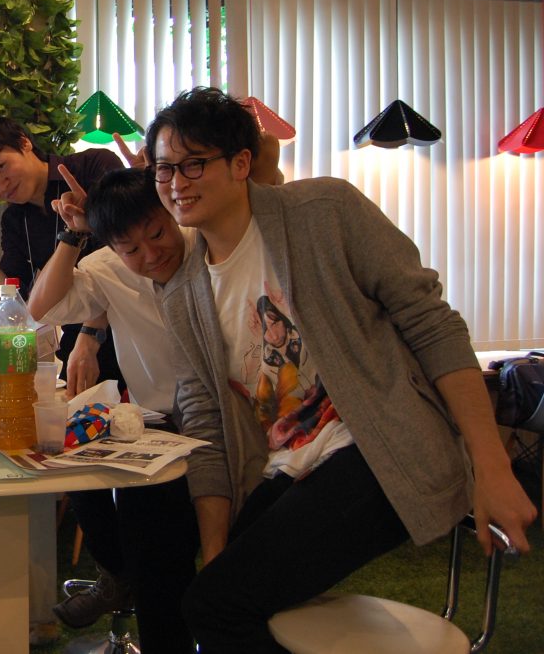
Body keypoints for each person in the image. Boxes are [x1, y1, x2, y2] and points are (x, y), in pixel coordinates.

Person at [144, 86, 536, 653]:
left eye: (194, 164)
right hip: (288, 463)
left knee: (216, 607)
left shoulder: (323, 212)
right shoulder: (183, 295)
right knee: (209, 594)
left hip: (379, 447)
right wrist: (218, 548)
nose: (176, 183)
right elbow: (204, 419)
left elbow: (432, 324)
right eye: (164, 168)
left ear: (241, 163)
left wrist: (492, 466)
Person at [0, 117, 131, 627]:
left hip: (125, 340)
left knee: (127, 468)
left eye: (1, 167)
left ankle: (135, 578)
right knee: (73, 461)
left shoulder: (91, 169)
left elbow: (127, 259)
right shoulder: (16, 219)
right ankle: (117, 575)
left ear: (24, 144)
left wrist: (92, 334)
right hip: (71, 352)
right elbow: (10, 296)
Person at [27, 165, 200, 653]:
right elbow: (40, 309)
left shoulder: (205, 243)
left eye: (157, 234)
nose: (150, 255)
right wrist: (73, 236)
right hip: (159, 428)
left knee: (224, 574)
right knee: (155, 575)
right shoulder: (106, 267)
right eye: (131, 248)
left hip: (227, 422)